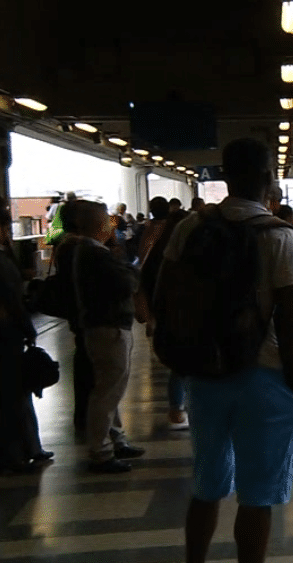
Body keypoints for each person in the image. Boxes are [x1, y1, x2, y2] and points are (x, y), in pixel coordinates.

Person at [158, 137, 293, 563]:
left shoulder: (191, 227)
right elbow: (290, 322)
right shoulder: (280, 236)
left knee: (206, 485)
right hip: (264, 378)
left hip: (205, 374)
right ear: (268, 178)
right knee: (256, 497)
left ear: (224, 176)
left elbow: (165, 292)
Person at [72, 201, 145, 473]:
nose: (110, 225)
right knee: (106, 390)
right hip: (107, 327)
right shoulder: (94, 255)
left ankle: (115, 439)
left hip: (106, 326)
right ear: (96, 224)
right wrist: (132, 271)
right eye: (106, 221)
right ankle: (101, 451)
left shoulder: (93, 253)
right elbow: (127, 282)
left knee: (110, 387)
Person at [0, 209, 51, 473]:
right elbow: (13, 300)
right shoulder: (3, 262)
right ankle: (20, 451)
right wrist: (28, 329)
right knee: (14, 395)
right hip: (6, 336)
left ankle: (25, 449)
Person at [135, 196, 189, 430]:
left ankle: (177, 409)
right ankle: (180, 409)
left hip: (166, 316)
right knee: (187, 365)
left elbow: (144, 277)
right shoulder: (186, 255)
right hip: (185, 317)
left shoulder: (153, 241)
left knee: (179, 366)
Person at [52, 201, 95, 431]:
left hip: (77, 312)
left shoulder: (63, 242)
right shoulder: (77, 246)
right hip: (84, 312)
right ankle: (87, 418)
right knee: (88, 366)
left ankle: (84, 416)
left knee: (85, 363)